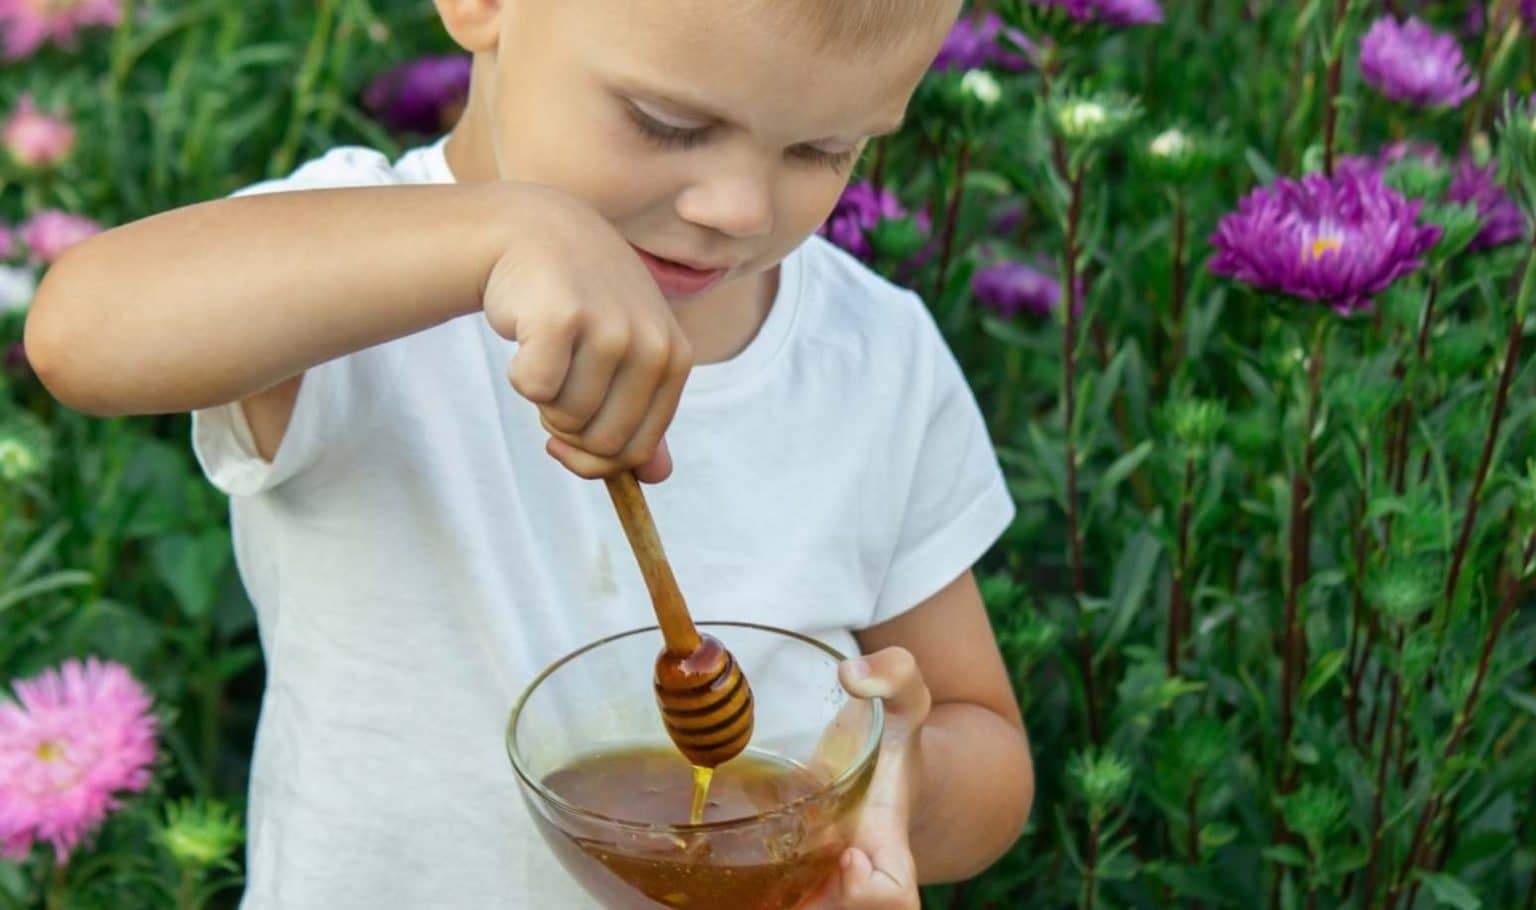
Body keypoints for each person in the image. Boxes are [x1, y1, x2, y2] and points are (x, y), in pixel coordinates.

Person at [23, 0, 1035, 906]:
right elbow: (80, 331)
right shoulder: (350, 276)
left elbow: (984, 737)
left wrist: (880, 791)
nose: (738, 208)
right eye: (667, 123)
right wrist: (502, 234)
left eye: (824, 149)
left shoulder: (875, 356)